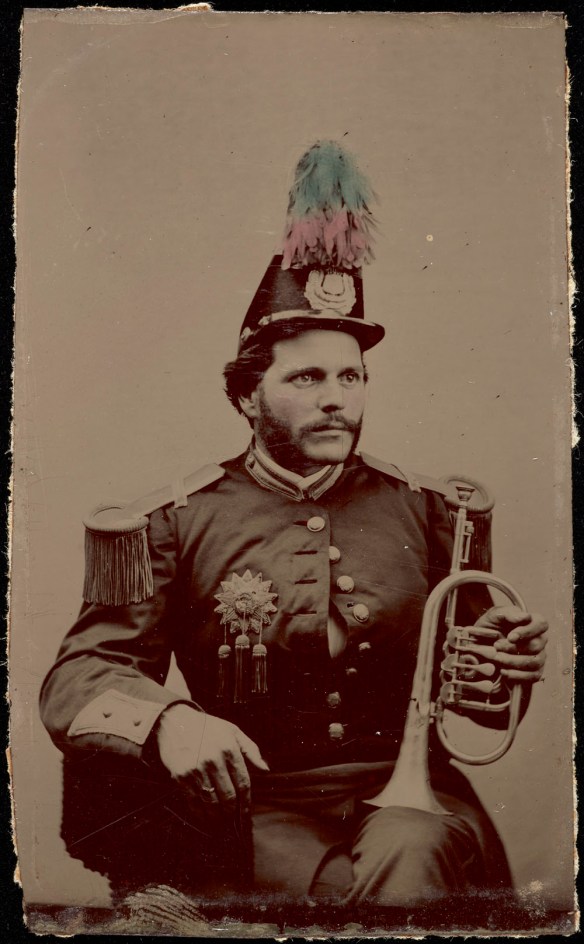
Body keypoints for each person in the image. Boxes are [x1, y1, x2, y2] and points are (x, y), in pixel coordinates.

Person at [40, 142, 547, 924]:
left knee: (411, 857)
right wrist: (169, 721)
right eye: (305, 379)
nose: (335, 399)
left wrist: (502, 671)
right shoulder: (174, 521)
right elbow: (80, 676)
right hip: (255, 803)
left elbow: (476, 712)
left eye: (350, 377)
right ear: (247, 396)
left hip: (411, 794)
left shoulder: (434, 511)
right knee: (345, 900)